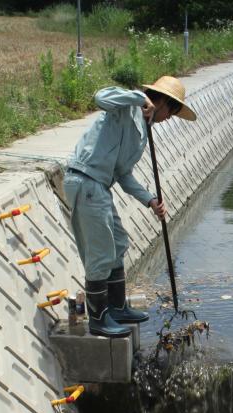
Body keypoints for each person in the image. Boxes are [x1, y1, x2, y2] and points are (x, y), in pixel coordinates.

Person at [64, 76, 197, 338]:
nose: (170, 118)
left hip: (99, 187)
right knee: (100, 254)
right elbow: (101, 96)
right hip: (85, 181)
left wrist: (150, 200)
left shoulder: (142, 133)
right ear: (160, 102)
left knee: (119, 243)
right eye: (172, 110)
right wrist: (139, 98)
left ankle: (116, 307)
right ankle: (99, 318)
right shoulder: (125, 109)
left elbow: (123, 174)